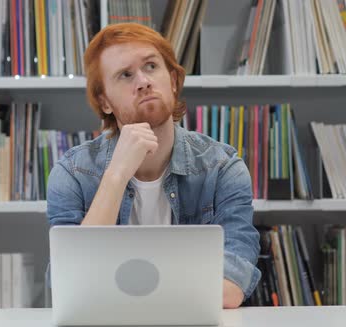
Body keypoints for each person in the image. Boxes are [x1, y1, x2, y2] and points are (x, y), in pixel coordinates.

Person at [47, 23, 260, 309]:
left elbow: (232, 285)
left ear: (172, 80)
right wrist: (117, 175)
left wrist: (118, 296)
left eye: (151, 66)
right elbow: (67, 283)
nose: (143, 81)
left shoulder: (222, 168)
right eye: (125, 75)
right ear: (104, 101)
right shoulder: (71, 173)